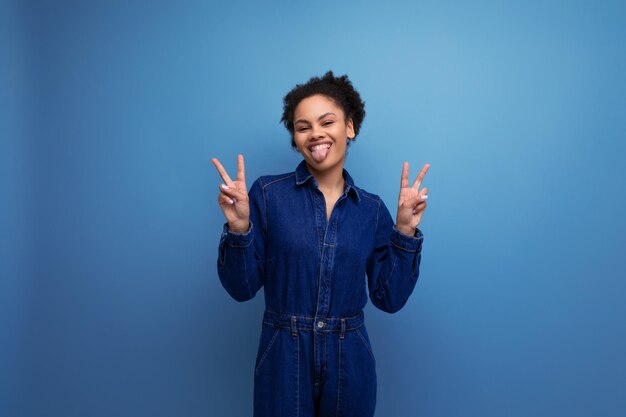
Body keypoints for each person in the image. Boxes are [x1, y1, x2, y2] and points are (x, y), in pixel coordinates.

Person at [211, 70, 430, 417]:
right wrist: (239, 229)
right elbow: (242, 288)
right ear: (297, 140)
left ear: (349, 127)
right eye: (303, 127)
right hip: (282, 354)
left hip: (350, 359)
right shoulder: (268, 196)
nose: (316, 134)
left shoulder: (371, 210)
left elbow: (389, 298)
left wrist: (404, 233)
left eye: (326, 121)